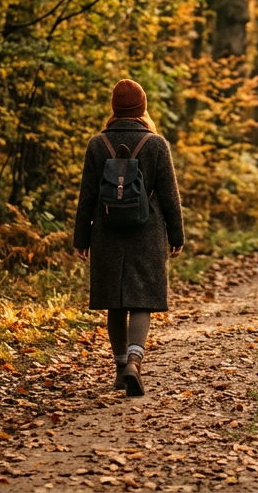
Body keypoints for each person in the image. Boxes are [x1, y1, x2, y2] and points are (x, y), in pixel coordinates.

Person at [73, 79, 184, 396]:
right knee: (141, 299)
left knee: (115, 301)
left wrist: (81, 239)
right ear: (142, 107)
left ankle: (121, 369)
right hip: (146, 231)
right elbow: (169, 195)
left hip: (106, 231)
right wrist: (176, 235)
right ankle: (136, 361)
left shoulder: (97, 144)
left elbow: (87, 196)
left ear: (114, 107)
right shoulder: (156, 144)